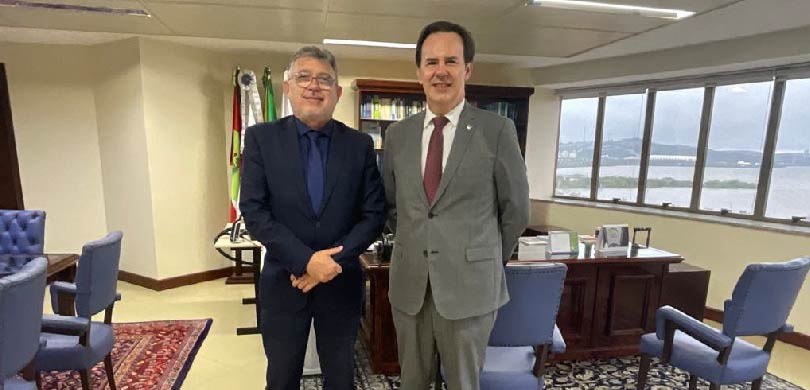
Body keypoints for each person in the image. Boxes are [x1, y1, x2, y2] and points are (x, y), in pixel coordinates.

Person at [382, 21, 530, 390]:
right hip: (410, 286)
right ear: (419, 72)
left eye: (451, 61)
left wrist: (484, 257)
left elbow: (516, 211)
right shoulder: (397, 135)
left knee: (464, 384)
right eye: (431, 62)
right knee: (412, 382)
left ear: (467, 69)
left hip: (470, 289)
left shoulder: (496, 131)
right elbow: (391, 205)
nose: (441, 71)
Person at [240, 46, 386, 390]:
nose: (313, 86)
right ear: (288, 87)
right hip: (285, 280)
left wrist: (329, 263)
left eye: (324, 79)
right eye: (303, 77)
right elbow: (254, 211)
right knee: (281, 376)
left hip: (341, 280)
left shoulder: (360, 145)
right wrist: (306, 261)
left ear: (337, 93)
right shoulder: (262, 139)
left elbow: (374, 213)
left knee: (341, 376)